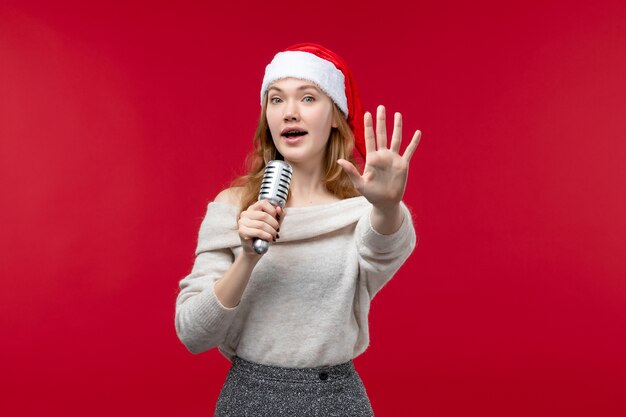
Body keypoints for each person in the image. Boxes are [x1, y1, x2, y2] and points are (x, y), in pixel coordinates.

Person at [175, 42, 422, 416]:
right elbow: (193, 333)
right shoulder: (232, 206)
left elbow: (383, 248)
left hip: (336, 401)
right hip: (249, 399)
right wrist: (247, 257)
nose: (289, 112)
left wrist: (386, 206)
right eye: (276, 100)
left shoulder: (358, 212)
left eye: (307, 98)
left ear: (336, 115)